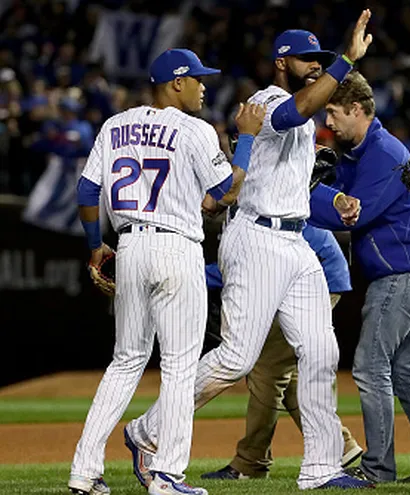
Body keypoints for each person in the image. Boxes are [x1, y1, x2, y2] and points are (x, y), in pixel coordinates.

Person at [123, 14, 374, 491]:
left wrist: (334, 201)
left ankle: (322, 468)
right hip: (256, 238)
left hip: (294, 241)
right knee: (237, 358)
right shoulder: (267, 102)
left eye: (321, 59)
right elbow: (298, 110)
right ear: (282, 62)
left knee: (321, 351)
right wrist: (347, 59)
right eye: (308, 59)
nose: (316, 66)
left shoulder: (303, 107)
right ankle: (148, 429)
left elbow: (297, 174)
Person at [68, 48, 263, 495]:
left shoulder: (115, 125)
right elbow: (226, 190)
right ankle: (168, 477)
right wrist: (247, 139)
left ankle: (83, 470)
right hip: (176, 246)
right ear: (176, 83)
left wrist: (95, 245)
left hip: (130, 244)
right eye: (197, 79)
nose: (203, 86)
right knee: (177, 367)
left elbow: (86, 188)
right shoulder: (195, 129)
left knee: (125, 362)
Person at [306, 70, 410, 484]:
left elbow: (353, 212)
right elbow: (337, 193)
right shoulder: (359, 151)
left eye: (334, 113)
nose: (329, 122)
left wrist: (305, 193)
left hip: (403, 275)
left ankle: (377, 470)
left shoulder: (384, 151)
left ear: (357, 109)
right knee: (405, 371)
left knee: (370, 366)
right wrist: (325, 186)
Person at [199, 220, 364, 480]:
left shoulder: (255, 192)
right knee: (288, 376)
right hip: (301, 273)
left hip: (317, 275)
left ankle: (250, 462)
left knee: (266, 369)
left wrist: (194, 274)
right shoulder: (244, 201)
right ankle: (342, 447)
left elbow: (252, 261)